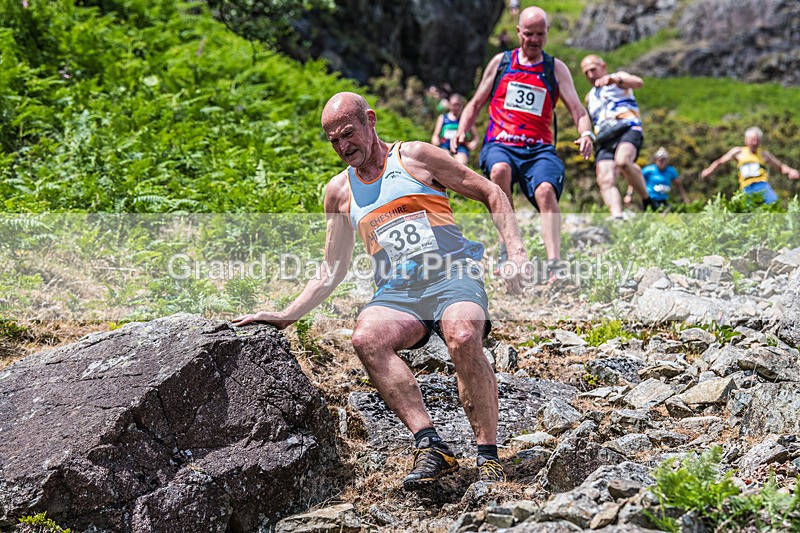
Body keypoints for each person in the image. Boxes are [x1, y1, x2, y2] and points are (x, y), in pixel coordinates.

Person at [233, 92, 529, 489]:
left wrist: (517, 252)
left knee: (461, 335)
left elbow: (492, 192)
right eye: (333, 140)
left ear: (370, 120)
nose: (342, 146)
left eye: (348, 133)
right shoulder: (339, 192)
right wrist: (286, 316)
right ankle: (431, 447)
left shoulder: (417, 158)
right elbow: (331, 268)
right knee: (366, 337)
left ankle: (488, 456)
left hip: (452, 275)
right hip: (400, 293)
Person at [454, 6, 594, 281]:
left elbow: (578, 110)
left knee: (545, 191)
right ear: (518, 32)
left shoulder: (555, 68)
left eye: (540, 34)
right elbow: (477, 102)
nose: (534, 40)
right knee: (499, 172)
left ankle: (555, 264)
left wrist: (586, 133)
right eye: (528, 34)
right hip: (501, 143)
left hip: (539, 149)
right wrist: (462, 129)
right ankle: (510, 249)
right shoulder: (501, 63)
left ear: (547, 34)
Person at [580, 54, 656, 218]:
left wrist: (614, 80)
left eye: (593, 69)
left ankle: (647, 200)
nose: (590, 75)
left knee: (623, 162)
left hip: (627, 127)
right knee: (604, 177)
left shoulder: (618, 78)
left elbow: (638, 83)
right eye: (586, 72)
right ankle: (617, 216)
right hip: (605, 136)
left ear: (603, 66)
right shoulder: (589, 96)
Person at [700, 127, 799, 204]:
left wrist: (791, 171)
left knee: (774, 204)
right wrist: (709, 170)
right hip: (746, 187)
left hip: (762, 185)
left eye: (757, 140)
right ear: (746, 140)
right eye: (752, 140)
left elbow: (780, 167)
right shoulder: (738, 152)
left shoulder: (764, 154)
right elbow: (720, 162)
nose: (755, 143)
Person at [431, 93, 478, 166]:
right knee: (445, 159)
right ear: (450, 105)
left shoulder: (466, 119)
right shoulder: (443, 118)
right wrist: (435, 142)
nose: (455, 107)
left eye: (458, 104)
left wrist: (473, 143)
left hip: (460, 145)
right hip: (445, 144)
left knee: (461, 162)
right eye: (453, 104)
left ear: (461, 105)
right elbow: (435, 136)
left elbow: (475, 137)